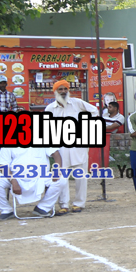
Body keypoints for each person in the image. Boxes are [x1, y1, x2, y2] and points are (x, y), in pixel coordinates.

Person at [45, 80, 100, 212]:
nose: (63, 91)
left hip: (78, 145)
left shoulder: (77, 103)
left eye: (65, 89)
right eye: (60, 89)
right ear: (55, 91)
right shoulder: (50, 109)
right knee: (62, 175)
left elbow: (94, 111)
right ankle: (64, 205)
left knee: (80, 175)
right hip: (61, 146)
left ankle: (79, 203)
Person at [0, 143, 68, 219]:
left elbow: (56, 155)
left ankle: (43, 208)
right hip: (15, 177)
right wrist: (13, 181)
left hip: (40, 177)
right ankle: (6, 210)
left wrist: (57, 170)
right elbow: (2, 165)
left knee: (61, 179)